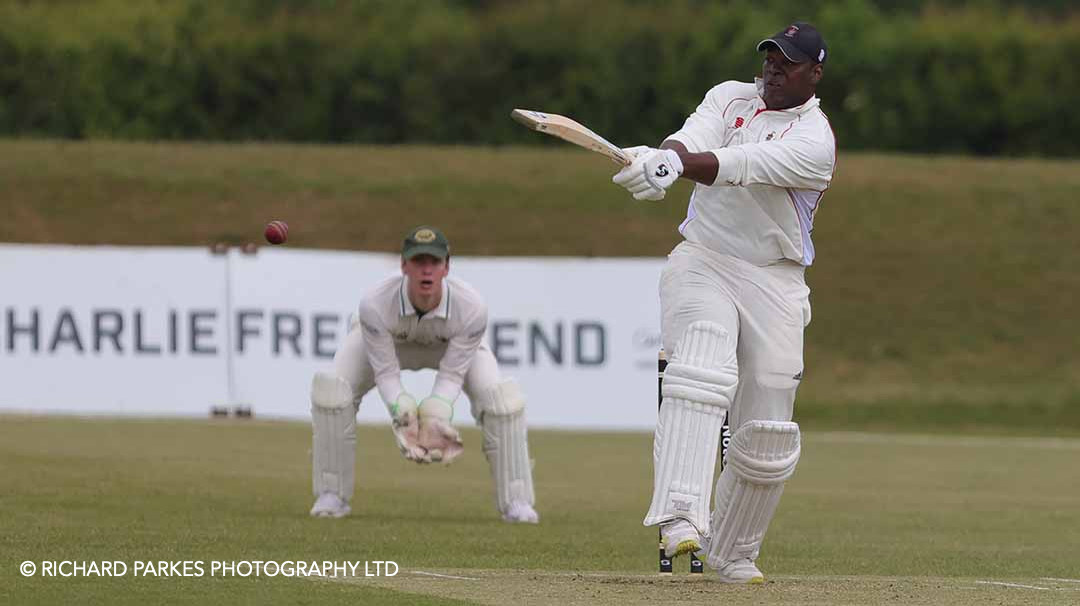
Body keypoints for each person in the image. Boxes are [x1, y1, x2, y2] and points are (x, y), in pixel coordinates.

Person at [612, 23, 836, 583]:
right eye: (770, 58)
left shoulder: (815, 141)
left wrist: (679, 166)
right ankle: (682, 517)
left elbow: (739, 168)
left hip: (777, 282)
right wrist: (662, 160)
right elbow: (691, 137)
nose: (774, 69)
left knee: (767, 436)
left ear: (815, 73)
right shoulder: (728, 96)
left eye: (788, 62)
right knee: (700, 370)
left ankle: (734, 552)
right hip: (704, 259)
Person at [308, 225, 539, 524]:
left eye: (434, 262)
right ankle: (331, 495)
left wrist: (435, 415)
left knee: (501, 403)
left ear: (447, 267)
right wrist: (402, 412)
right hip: (392, 345)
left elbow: (453, 375)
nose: (426, 271)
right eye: (418, 262)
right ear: (404, 266)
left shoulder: (471, 307)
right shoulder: (375, 303)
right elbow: (386, 372)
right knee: (333, 393)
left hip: (447, 347)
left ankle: (516, 502)